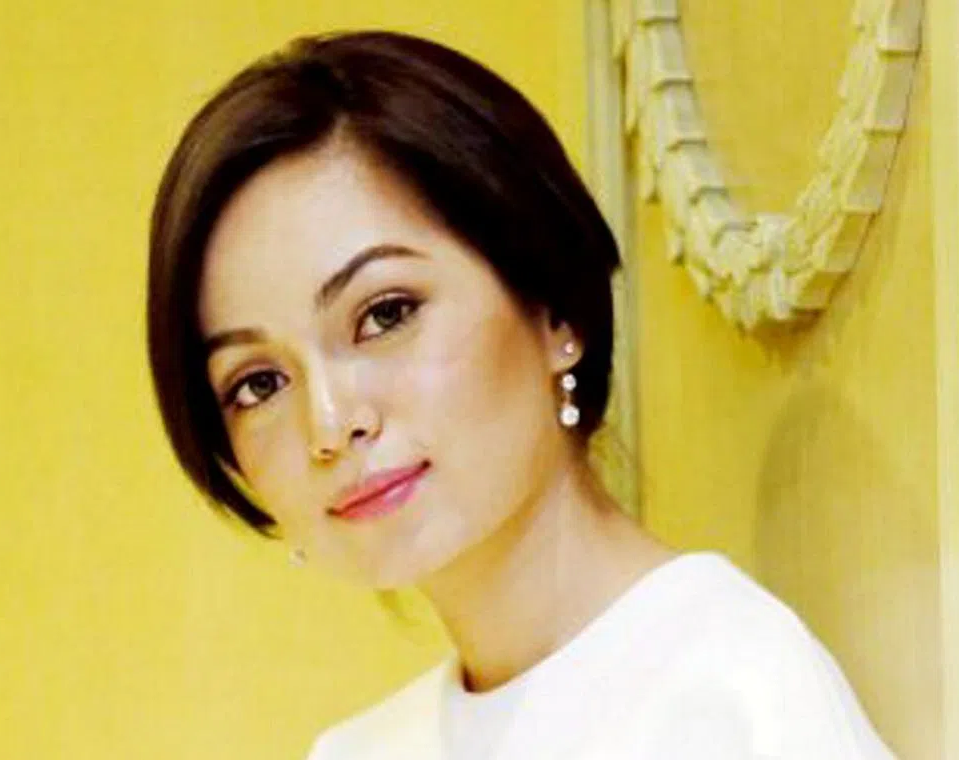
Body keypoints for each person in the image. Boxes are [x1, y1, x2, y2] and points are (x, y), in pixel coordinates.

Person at [146, 30, 896, 760]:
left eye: (385, 315)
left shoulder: (733, 691)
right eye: (259, 383)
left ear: (552, 307)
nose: (331, 424)